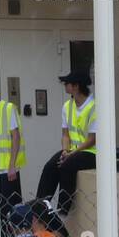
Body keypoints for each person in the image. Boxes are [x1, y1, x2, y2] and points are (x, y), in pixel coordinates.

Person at [35, 69, 97, 215]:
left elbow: (92, 139)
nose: (65, 86)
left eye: (67, 83)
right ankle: (40, 207)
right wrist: (65, 150)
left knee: (67, 165)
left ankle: (63, 210)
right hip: (73, 151)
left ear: (76, 86)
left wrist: (71, 154)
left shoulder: (94, 107)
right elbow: (65, 134)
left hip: (91, 152)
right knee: (51, 165)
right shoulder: (67, 106)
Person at [0, 95, 25, 218]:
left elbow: (16, 137)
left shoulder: (7, 108)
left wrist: (12, 165)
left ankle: (15, 236)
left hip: (7, 171)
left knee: (12, 211)